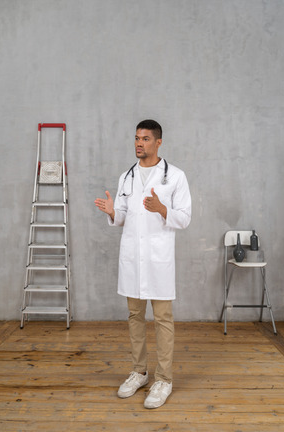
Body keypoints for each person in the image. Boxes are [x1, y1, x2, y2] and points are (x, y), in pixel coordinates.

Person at [95, 119, 191, 409]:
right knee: (135, 316)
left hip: (158, 259)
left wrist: (163, 210)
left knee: (162, 318)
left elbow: (184, 218)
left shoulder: (174, 176)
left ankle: (164, 379)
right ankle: (139, 372)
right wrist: (114, 212)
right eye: (137, 138)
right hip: (132, 258)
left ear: (158, 142)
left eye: (146, 139)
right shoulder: (127, 176)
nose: (140, 143)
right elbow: (123, 214)